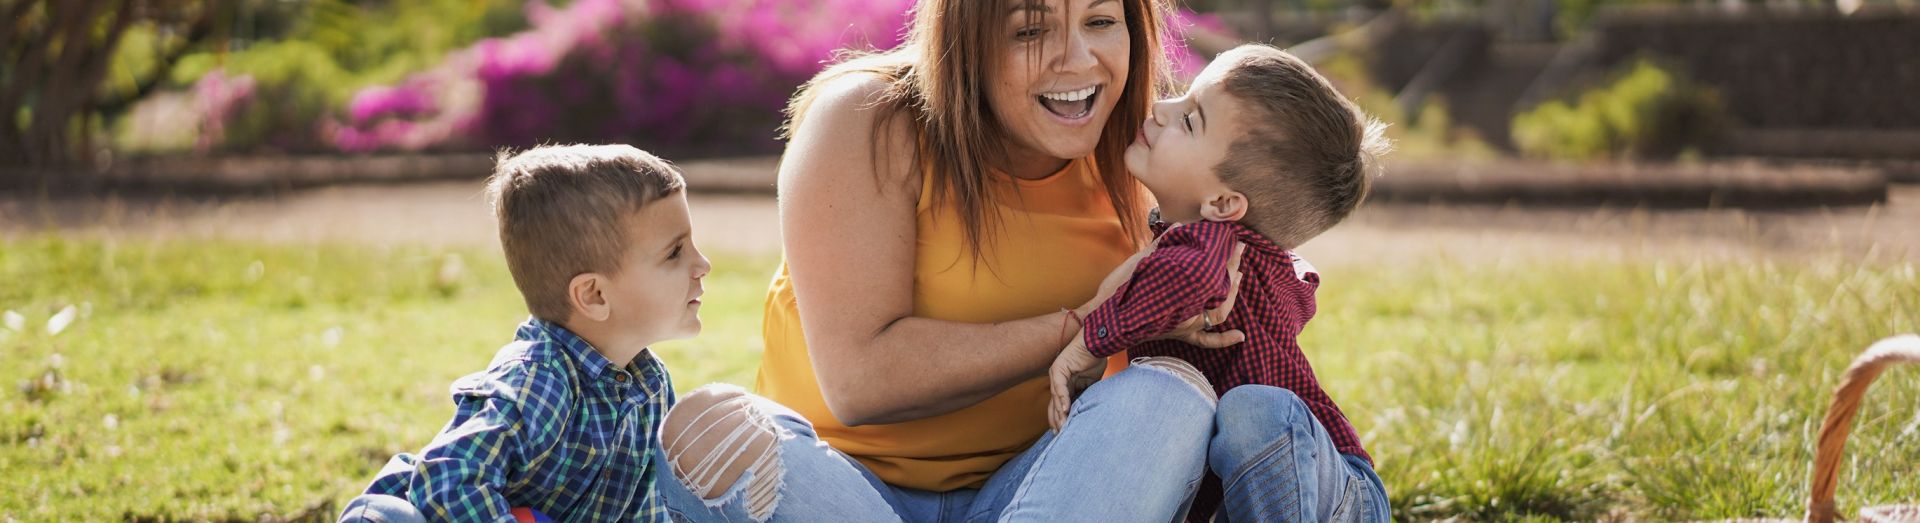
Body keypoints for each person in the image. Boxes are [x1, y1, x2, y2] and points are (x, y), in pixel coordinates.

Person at [649, 0, 1252, 521]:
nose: (1077, 59)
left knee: (1168, 395)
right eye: (1028, 31)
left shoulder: (1149, 151)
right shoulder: (868, 119)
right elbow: (862, 382)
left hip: (1043, 493)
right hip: (839, 491)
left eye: (1100, 21)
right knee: (709, 426)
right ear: (966, 42)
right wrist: (1092, 323)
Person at [1046, 44, 1393, 522]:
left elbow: (1190, 276)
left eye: (1189, 119)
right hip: (1259, 493)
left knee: (1253, 410)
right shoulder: (1205, 241)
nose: (1162, 108)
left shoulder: (1213, 243)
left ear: (1224, 204)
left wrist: (1089, 342)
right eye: (1183, 99)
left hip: (1330, 493)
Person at [338, 144, 708, 522]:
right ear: (594, 295)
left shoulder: (649, 386)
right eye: (674, 253)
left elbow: (643, 512)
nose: (703, 264)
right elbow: (446, 480)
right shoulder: (539, 381)